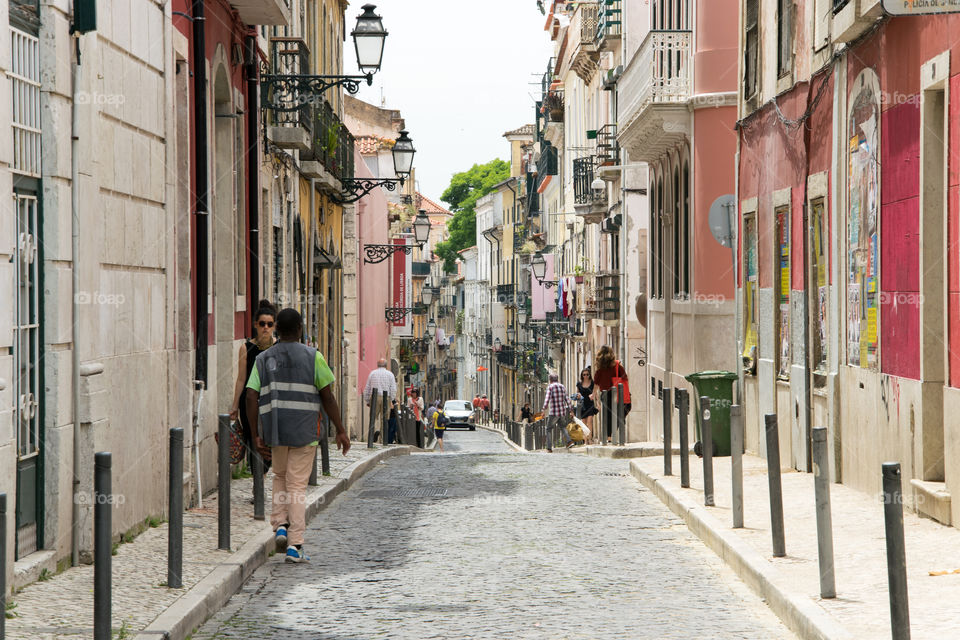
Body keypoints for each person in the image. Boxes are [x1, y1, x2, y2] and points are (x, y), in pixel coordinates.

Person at [245, 308, 350, 564]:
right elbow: (327, 396)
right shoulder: (314, 357)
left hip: (275, 431)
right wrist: (340, 429)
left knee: (280, 477)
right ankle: (295, 544)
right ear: (301, 329)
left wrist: (256, 435)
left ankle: (280, 524)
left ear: (277, 329)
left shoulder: (263, 359)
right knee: (297, 487)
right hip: (305, 432)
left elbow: (250, 395)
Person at [229, 300, 277, 473]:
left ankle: (261, 477)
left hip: (271, 401)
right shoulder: (246, 348)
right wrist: (234, 405)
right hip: (249, 402)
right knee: (252, 440)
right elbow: (241, 379)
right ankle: (258, 485)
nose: (266, 327)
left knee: (268, 442)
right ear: (256, 325)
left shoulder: (278, 347)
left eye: (269, 324)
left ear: (274, 326)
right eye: (262, 324)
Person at [593, 346, 631, 443]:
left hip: (605, 394)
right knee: (624, 410)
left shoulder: (599, 369)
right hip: (618, 392)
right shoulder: (617, 366)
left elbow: (596, 384)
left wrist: (595, 397)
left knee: (608, 415)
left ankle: (609, 436)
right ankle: (613, 432)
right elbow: (625, 378)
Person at [542, 373, 573, 453]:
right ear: (557, 379)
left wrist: (543, 410)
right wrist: (571, 410)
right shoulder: (562, 386)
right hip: (562, 412)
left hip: (554, 413)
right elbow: (567, 399)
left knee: (548, 429)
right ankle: (569, 441)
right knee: (563, 427)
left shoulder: (550, 387)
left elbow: (547, 399)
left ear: (550, 380)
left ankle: (549, 448)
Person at [576, 368, 598, 444]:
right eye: (584, 374)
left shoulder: (592, 383)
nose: (585, 376)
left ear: (589, 375)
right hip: (583, 405)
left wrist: (598, 403)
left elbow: (595, 393)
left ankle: (590, 439)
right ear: (582, 375)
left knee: (590, 421)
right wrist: (577, 396)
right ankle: (585, 440)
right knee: (584, 423)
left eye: (587, 374)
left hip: (590, 404)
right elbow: (577, 394)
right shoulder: (579, 384)